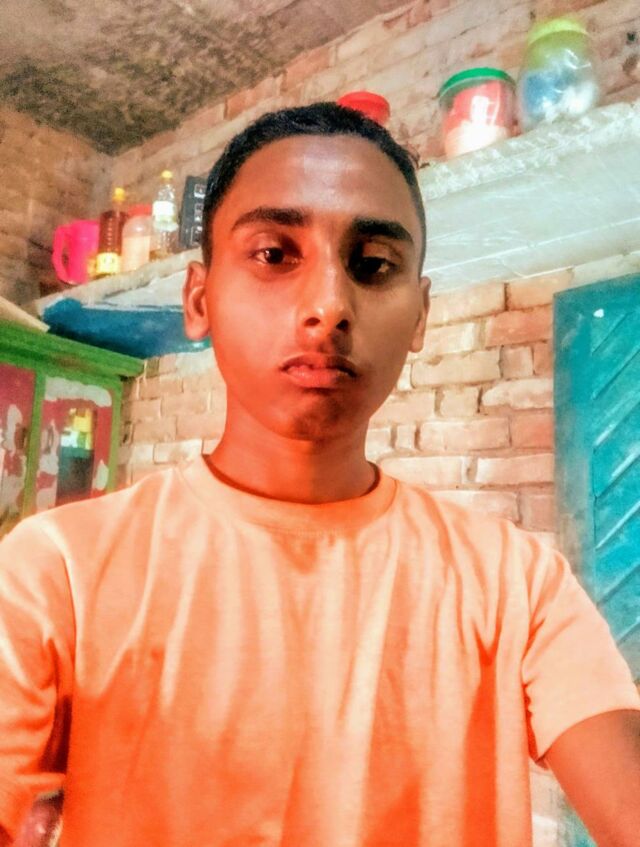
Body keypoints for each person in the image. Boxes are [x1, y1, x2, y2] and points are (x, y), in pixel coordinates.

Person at [0, 103, 639, 847]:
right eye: (275, 254)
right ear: (199, 300)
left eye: (374, 265)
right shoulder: (57, 574)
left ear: (420, 314)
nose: (329, 306)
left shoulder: (516, 586)